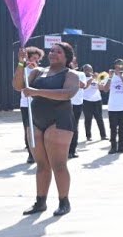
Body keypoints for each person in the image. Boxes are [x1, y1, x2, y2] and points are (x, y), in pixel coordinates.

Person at [14, 42, 81, 217]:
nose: (53, 54)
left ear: (67, 57)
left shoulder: (71, 74)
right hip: (36, 120)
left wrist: (36, 91)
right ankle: (40, 201)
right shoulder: (38, 71)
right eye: (51, 51)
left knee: (59, 164)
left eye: (58, 52)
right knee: (41, 165)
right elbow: (18, 85)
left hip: (59, 121)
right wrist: (21, 63)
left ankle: (64, 201)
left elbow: (67, 94)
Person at [100, 59, 123, 154]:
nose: (122, 67)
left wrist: (121, 77)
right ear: (115, 66)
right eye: (120, 65)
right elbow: (105, 90)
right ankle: (113, 147)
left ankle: (122, 146)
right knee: (113, 128)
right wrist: (110, 78)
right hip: (113, 107)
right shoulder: (109, 77)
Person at [18, 47, 43, 164]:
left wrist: (37, 69)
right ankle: (30, 154)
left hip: (38, 103)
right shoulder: (23, 69)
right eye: (34, 58)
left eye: (38, 59)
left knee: (39, 129)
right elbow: (21, 85)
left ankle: (40, 152)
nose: (36, 61)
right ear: (28, 58)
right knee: (28, 129)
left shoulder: (40, 70)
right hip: (26, 104)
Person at [79, 64, 106, 142]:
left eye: (90, 69)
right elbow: (85, 87)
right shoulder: (82, 78)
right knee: (88, 119)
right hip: (86, 101)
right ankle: (88, 136)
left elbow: (102, 88)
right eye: (86, 69)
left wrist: (100, 80)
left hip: (97, 100)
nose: (88, 71)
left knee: (99, 118)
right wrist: (92, 78)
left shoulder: (96, 78)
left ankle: (103, 135)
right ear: (83, 71)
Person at [67, 57, 85, 158]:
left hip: (77, 104)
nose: (71, 64)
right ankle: (65, 149)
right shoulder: (64, 72)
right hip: (65, 103)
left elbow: (82, 85)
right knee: (64, 127)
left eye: (72, 62)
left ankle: (73, 150)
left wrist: (73, 74)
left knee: (74, 127)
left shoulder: (81, 74)